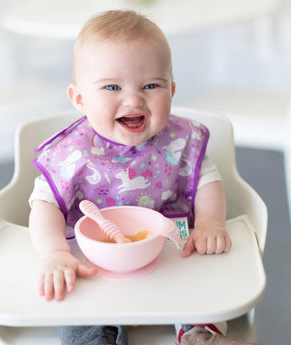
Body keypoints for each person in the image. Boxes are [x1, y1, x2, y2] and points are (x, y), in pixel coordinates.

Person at [28, 10, 260, 345]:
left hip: (167, 250)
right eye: (112, 87)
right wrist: (54, 253)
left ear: (172, 90)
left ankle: (199, 335)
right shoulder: (71, 152)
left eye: (151, 85)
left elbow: (207, 178)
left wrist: (211, 223)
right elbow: (44, 204)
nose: (134, 99)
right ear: (80, 98)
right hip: (93, 258)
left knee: (199, 288)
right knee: (80, 312)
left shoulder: (179, 140)